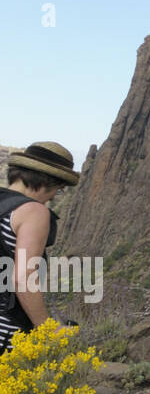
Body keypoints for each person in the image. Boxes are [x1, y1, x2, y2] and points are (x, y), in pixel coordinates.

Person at [0, 143, 79, 353]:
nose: (54, 196)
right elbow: (23, 277)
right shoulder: (33, 211)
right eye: (59, 189)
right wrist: (46, 329)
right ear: (47, 181)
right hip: (6, 330)